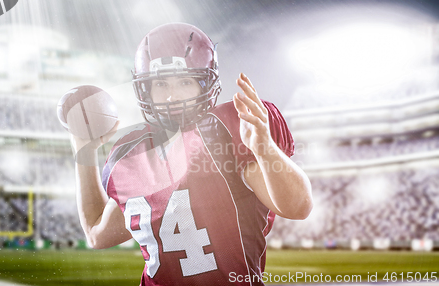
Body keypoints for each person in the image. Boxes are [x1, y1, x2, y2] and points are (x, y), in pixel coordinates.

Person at [72, 23, 313, 285]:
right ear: (145, 89)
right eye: (160, 84)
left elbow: (298, 207)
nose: (172, 96)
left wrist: (266, 149)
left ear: (205, 83)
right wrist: (84, 149)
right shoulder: (130, 154)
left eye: (185, 81)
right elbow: (97, 233)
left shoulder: (228, 129)